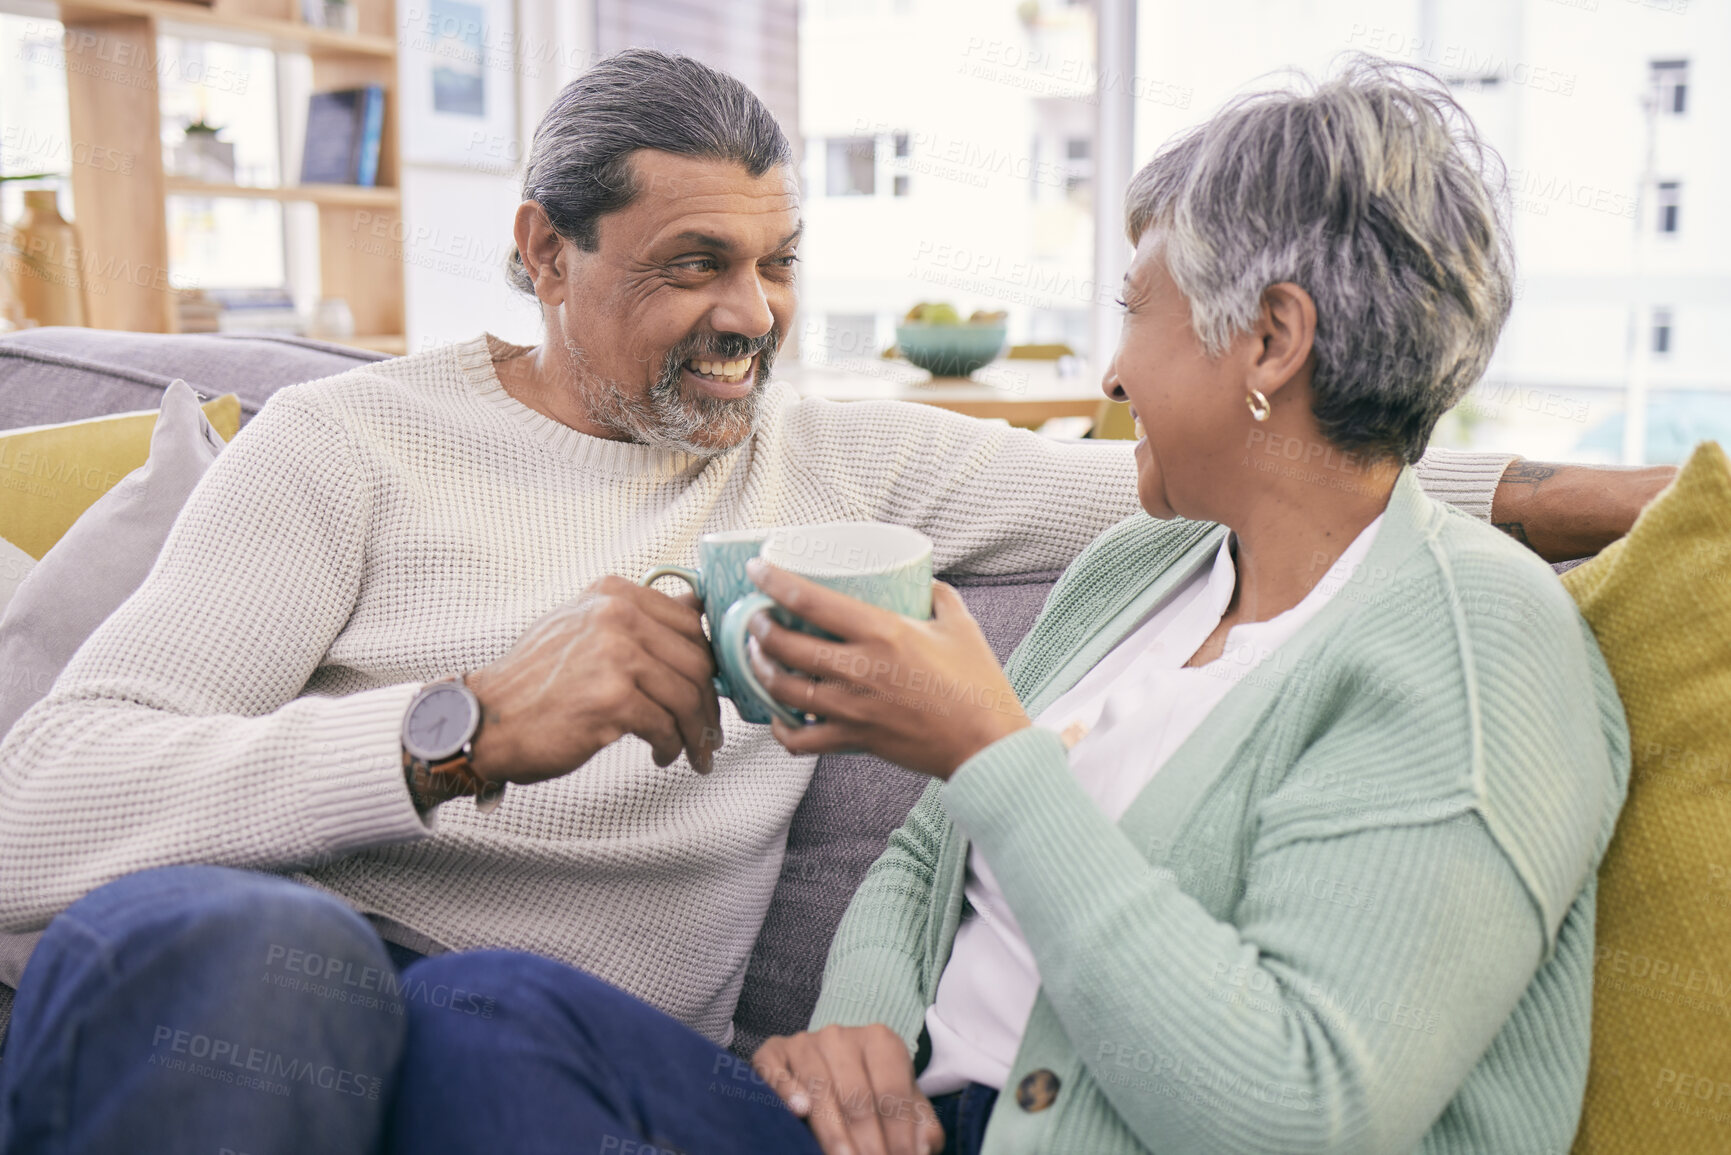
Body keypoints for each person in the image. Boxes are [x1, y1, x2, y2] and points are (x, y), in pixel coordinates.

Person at [0, 51, 1642, 1154]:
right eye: (693, 264)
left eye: (777, 265)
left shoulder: (842, 463)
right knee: (266, 968)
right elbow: (35, 811)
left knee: (477, 1023)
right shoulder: (342, 446)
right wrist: (460, 732)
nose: (750, 320)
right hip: (275, 965)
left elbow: (1286, 489)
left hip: (565, 1065)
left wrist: (1619, 501)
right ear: (540, 253)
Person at [741, 61, 1630, 1155]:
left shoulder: (1480, 645)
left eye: (1134, 311)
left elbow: (1299, 1110)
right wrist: (858, 1042)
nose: (1111, 375)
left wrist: (992, 752)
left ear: (1269, 340)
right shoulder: (1137, 569)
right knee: (483, 1013)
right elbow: (926, 857)